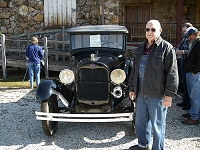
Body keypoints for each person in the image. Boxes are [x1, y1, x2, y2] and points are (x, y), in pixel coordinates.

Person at [128, 20, 179, 150]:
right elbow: (134, 70)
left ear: (160, 31)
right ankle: (143, 145)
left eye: (153, 29)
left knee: (158, 125)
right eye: (147, 29)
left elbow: (172, 73)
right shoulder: (140, 48)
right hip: (141, 93)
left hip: (157, 95)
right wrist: (132, 89)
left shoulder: (166, 48)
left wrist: (169, 95)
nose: (150, 32)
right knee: (140, 122)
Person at [182, 27, 200, 125]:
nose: (188, 38)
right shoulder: (194, 43)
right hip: (191, 72)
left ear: (194, 34)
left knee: (195, 95)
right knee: (192, 95)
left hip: (195, 74)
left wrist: (195, 71)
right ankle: (193, 112)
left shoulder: (198, 43)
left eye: (189, 36)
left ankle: (194, 117)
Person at [176, 23, 193, 110]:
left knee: (189, 84)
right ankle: (185, 101)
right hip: (182, 60)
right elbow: (180, 46)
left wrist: (182, 52)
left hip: (187, 61)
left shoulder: (193, 40)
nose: (184, 34)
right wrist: (178, 50)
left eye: (185, 32)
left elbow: (190, 50)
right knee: (184, 82)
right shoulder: (184, 37)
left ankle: (189, 103)